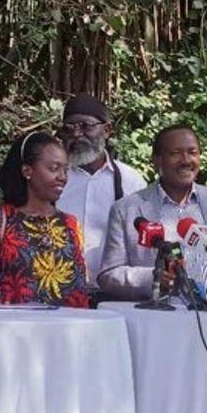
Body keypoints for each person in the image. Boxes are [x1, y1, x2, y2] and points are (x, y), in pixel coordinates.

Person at [98, 125, 207, 303]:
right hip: (154, 320)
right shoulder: (127, 209)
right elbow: (109, 275)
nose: (186, 160)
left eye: (193, 152)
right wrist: (154, 278)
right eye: (176, 153)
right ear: (157, 160)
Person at [0, 132, 88, 307]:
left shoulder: (71, 224)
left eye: (65, 169)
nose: (63, 177)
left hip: (67, 330)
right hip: (14, 330)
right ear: (27, 171)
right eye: (54, 168)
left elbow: (79, 288)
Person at [56, 93, 146, 300]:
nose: (77, 134)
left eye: (86, 126)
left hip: (114, 296)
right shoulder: (52, 179)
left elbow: (140, 245)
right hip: (58, 294)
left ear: (107, 130)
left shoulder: (130, 182)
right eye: (70, 127)